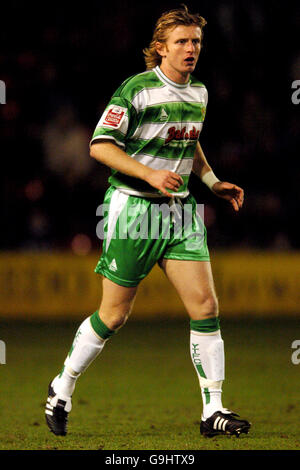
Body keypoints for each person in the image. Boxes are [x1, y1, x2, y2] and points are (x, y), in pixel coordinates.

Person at [45, 5, 250, 438]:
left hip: (180, 212)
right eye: (182, 41)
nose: (191, 49)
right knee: (114, 315)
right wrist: (149, 173)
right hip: (134, 211)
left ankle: (212, 409)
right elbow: (99, 146)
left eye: (196, 41)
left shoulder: (199, 93)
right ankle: (62, 385)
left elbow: (189, 142)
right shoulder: (136, 89)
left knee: (206, 307)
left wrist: (211, 182)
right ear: (160, 49)